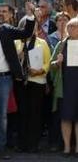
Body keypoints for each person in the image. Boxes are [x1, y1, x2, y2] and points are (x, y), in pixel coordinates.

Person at [0, 2, 35, 159]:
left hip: (5, 79)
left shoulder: (6, 30)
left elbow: (26, 32)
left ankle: (0, 148)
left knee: (2, 115)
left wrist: (30, 15)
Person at [14, 16, 51, 153]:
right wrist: (18, 56)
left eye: (34, 26)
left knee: (35, 113)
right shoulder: (17, 42)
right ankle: (22, 143)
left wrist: (41, 70)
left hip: (37, 81)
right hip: (21, 83)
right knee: (22, 113)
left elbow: (48, 62)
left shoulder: (42, 43)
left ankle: (33, 144)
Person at [50, 18, 78, 157]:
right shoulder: (62, 45)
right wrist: (57, 61)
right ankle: (67, 148)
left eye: (74, 26)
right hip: (65, 87)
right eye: (69, 26)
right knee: (66, 118)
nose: (71, 29)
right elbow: (51, 65)